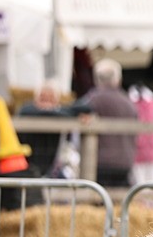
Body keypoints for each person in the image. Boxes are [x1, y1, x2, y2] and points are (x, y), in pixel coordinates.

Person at [81, 58, 138, 187]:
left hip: (101, 163)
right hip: (125, 162)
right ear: (118, 78)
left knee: (99, 201)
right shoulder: (129, 102)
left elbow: (74, 109)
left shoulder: (93, 99)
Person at [17, 85, 91, 178]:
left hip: (54, 167)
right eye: (43, 99)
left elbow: (86, 108)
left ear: (57, 102)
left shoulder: (62, 112)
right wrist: (55, 110)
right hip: (29, 164)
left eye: (50, 100)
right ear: (35, 100)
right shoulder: (27, 110)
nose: (46, 104)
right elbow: (26, 111)